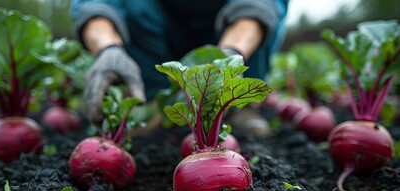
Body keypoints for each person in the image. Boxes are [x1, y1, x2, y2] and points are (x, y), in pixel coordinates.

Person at [71, 0, 289, 135]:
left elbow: (261, 4)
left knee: (263, 11)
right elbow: (94, 2)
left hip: (227, 26)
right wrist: (108, 49)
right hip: (160, 29)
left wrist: (231, 54)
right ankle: (154, 102)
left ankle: (238, 108)